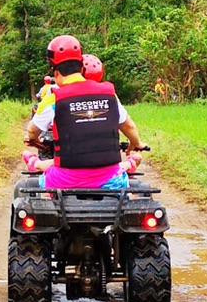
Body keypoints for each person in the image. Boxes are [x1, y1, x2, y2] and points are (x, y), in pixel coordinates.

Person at [24, 35, 142, 191]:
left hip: (64, 181)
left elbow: (32, 130)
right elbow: (129, 126)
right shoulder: (109, 94)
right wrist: (137, 143)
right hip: (110, 179)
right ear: (81, 68)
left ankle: (36, 165)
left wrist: (34, 139)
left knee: (46, 177)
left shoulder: (53, 99)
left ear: (56, 73)